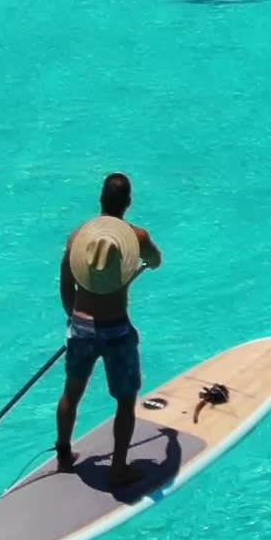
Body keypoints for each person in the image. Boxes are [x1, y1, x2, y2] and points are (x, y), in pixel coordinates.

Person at [54, 173, 163, 487]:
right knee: (126, 400)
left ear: (100, 199)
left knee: (71, 393)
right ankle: (118, 468)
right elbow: (155, 260)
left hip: (81, 327)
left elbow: (65, 285)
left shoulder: (78, 237)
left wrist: (73, 319)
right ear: (128, 202)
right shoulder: (137, 236)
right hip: (116, 330)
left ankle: (63, 456)